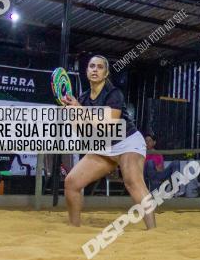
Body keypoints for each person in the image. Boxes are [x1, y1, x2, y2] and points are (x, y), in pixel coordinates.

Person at [61, 55, 155, 228]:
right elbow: (80, 130)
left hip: (127, 142)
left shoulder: (114, 93)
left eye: (99, 67)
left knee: (132, 180)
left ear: (106, 73)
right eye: (91, 66)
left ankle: (153, 230)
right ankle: (73, 228)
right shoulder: (82, 99)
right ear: (87, 71)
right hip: (103, 146)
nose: (95, 69)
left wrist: (80, 110)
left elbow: (109, 124)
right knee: (72, 182)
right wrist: (71, 112)